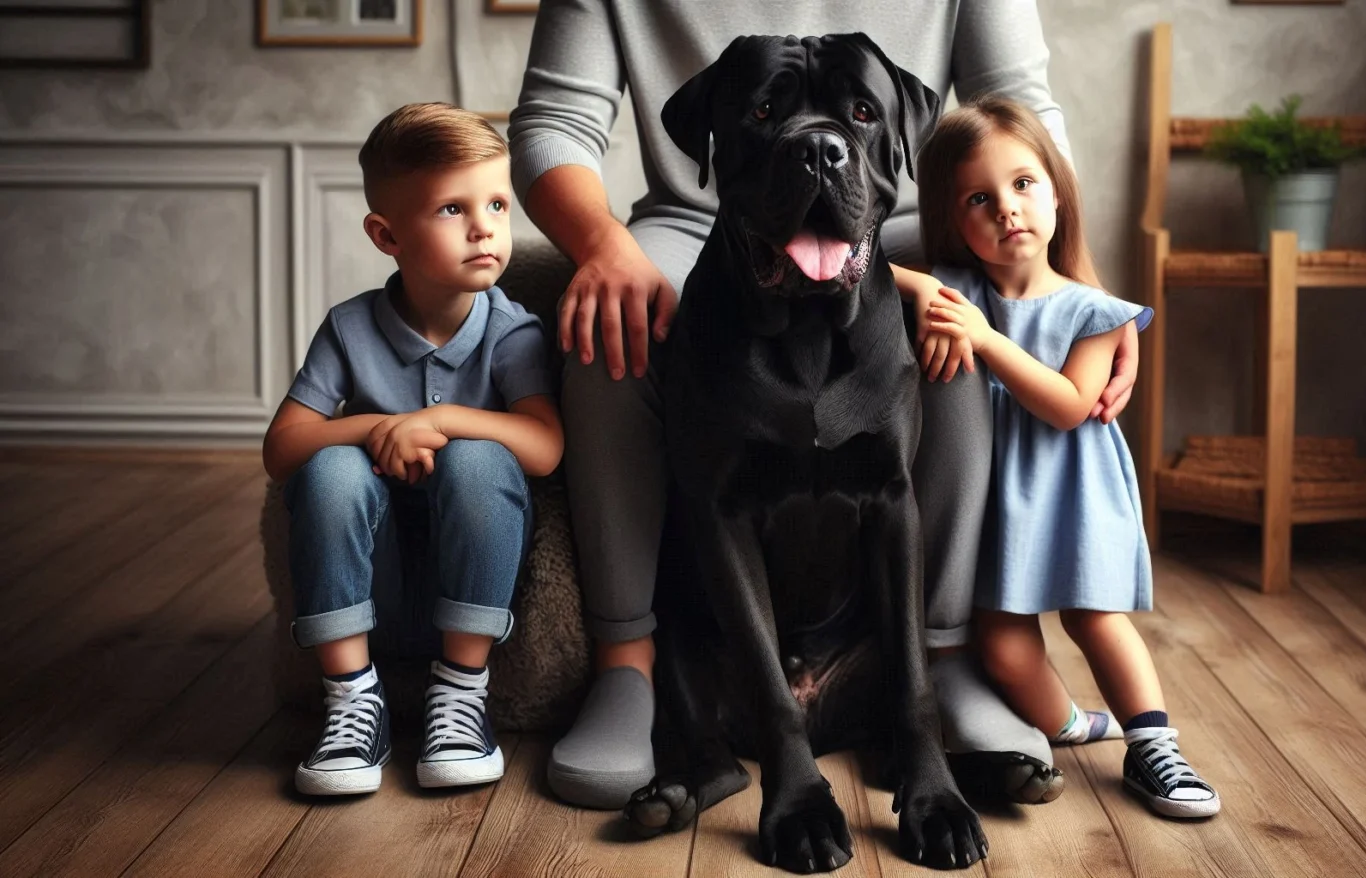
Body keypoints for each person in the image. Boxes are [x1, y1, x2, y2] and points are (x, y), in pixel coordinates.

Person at [506, 1, 1140, 809]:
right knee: (610, 329)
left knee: (959, 317)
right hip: (701, 213)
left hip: (898, 214)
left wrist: (1084, 298)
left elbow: (1021, 111)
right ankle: (626, 665)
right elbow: (554, 121)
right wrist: (600, 246)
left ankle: (945, 657)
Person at [900, 95, 1219, 818]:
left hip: (1071, 490)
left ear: (1056, 190)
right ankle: (1068, 724)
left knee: (1096, 621)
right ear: (953, 219)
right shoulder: (960, 290)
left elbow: (1069, 405)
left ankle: (1153, 746)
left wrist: (985, 339)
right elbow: (861, 273)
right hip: (994, 499)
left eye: (1023, 184)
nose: (1007, 209)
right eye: (979, 198)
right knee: (1005, 648)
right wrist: (920, 283)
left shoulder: (1093, 310)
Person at [263, 102, 564, 796]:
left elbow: (545, 448)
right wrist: (374, 428)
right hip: (372, 587)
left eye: (496, 202)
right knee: (329, 466)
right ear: (386, 234)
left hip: (478, 590)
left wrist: (450, 419)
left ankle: (461, 697)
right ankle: (351, 700)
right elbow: (283, 449)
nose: (485, 226)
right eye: (451, 209)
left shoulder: (512, 333)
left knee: (481, 456)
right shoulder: (350, 328)